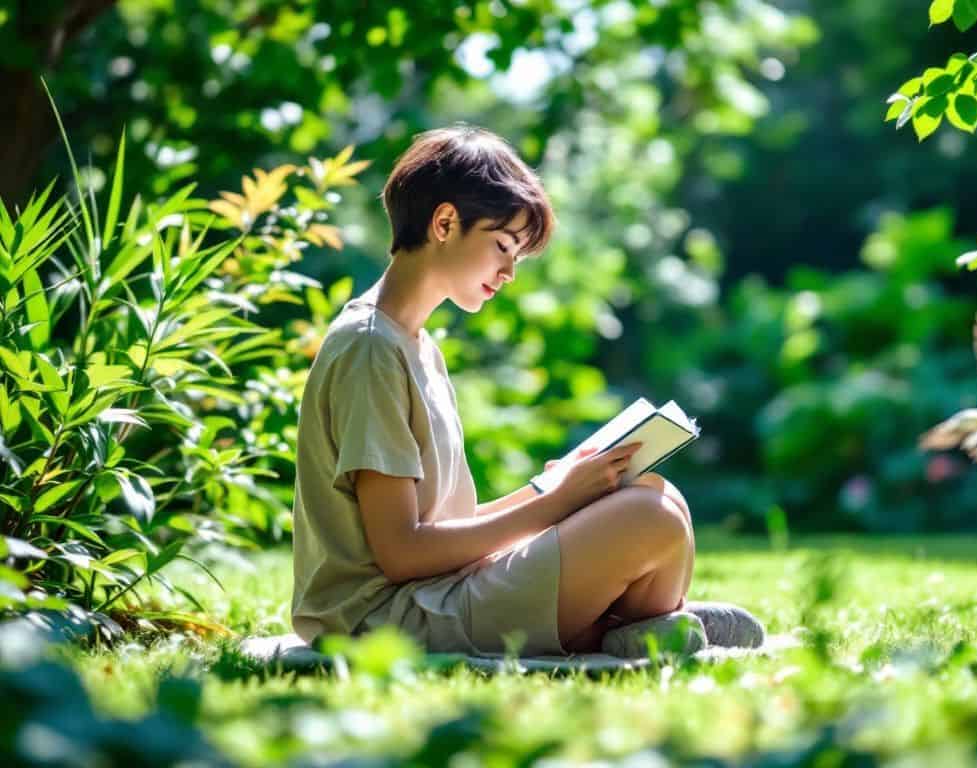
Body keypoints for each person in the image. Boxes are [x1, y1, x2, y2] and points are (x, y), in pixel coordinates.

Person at [288, 124, 697, 656]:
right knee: (651, 520)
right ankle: (635, 630)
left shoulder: (416, 346)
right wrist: (556, 506)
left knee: (655, 496)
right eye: (502, 246)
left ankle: (629, 631)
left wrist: (554, 491)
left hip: (439, 590)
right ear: (444, 222)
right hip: (386, 619)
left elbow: (445, 528)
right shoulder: (370, 348)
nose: (508, 272)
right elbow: (403, 553)